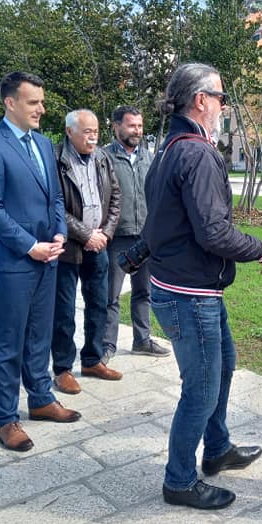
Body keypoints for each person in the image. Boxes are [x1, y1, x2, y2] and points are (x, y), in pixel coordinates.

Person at [144, 63, 262, 510]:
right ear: (200, 100)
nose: (224, 105)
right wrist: (261, 249)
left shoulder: (168, 149)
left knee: (224, 366)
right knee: (201, 387)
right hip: (190, 293)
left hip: (190, 286)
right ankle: (179, 480)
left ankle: (217, 448)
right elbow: (214, 234)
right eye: (220, 97)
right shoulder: (197, 153)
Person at [0, 71, 81, 453]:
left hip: (49, 257)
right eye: (33, 102)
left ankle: (41, 399)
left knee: (39, 336)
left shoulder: (45, 144)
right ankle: (5, 418)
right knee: (7, 342)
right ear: (10, 103)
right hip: (14, 261)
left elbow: (54, 198)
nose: (41, 109)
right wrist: (30, 245)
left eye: (42, 102)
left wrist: (60, 233)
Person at [50, 109, 123, 392]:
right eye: (87, 132)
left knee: (99, 305)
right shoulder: (55, 160)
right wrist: (85, 235)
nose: (93, 137)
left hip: (99, 246)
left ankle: (93, 359)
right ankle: (63, 369)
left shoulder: (103, 158)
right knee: (64, 312)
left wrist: (105, 233)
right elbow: (55, 206)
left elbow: (115, 196)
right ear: (70, 132)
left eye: (95, 131)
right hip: (68, 249)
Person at [102, 106, 170, 364]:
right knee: (111, 296)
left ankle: (142, 340)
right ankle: (106, 346)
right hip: (117, 238)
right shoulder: (104, 157)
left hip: (146, 238)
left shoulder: (150, 158)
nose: (137, 131)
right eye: (132, 126)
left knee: (144, 292)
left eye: (140, 126)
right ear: (116, 126)